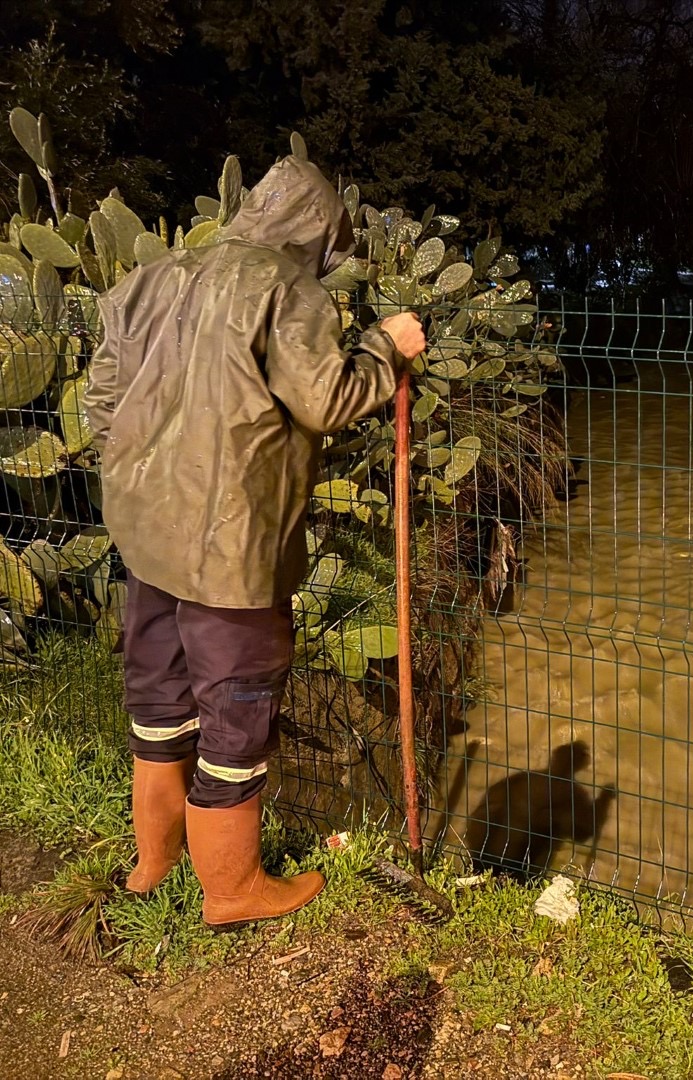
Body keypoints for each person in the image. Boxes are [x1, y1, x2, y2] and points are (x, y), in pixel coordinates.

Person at [83, 155, 426, 927]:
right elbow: (328, 399)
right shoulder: (285, 290)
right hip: (231, 554)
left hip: (145, 538)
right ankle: (232, 889)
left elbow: (101, 404)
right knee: (236, 710)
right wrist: (384, 348)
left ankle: (153, 862)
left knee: (159, 699)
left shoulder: (150, 280)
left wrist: (147, 478)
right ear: (313, 232)